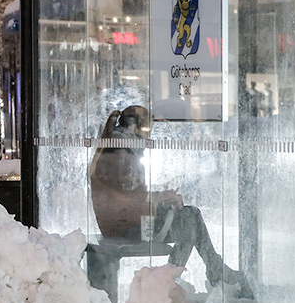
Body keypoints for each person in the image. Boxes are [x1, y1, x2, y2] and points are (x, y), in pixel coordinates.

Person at [89, 105, 249, 291]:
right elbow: (131, 200)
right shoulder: (121, 152)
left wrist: (163, 196)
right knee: (189, 219)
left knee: (190, 217)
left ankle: (198, 272)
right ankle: (171, 280)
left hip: (124, 223)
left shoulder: (119, 147)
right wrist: (164, 197)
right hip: (127, 228)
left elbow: (130, 194)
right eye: (148, 130)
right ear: (134, 127)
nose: (149, 136)